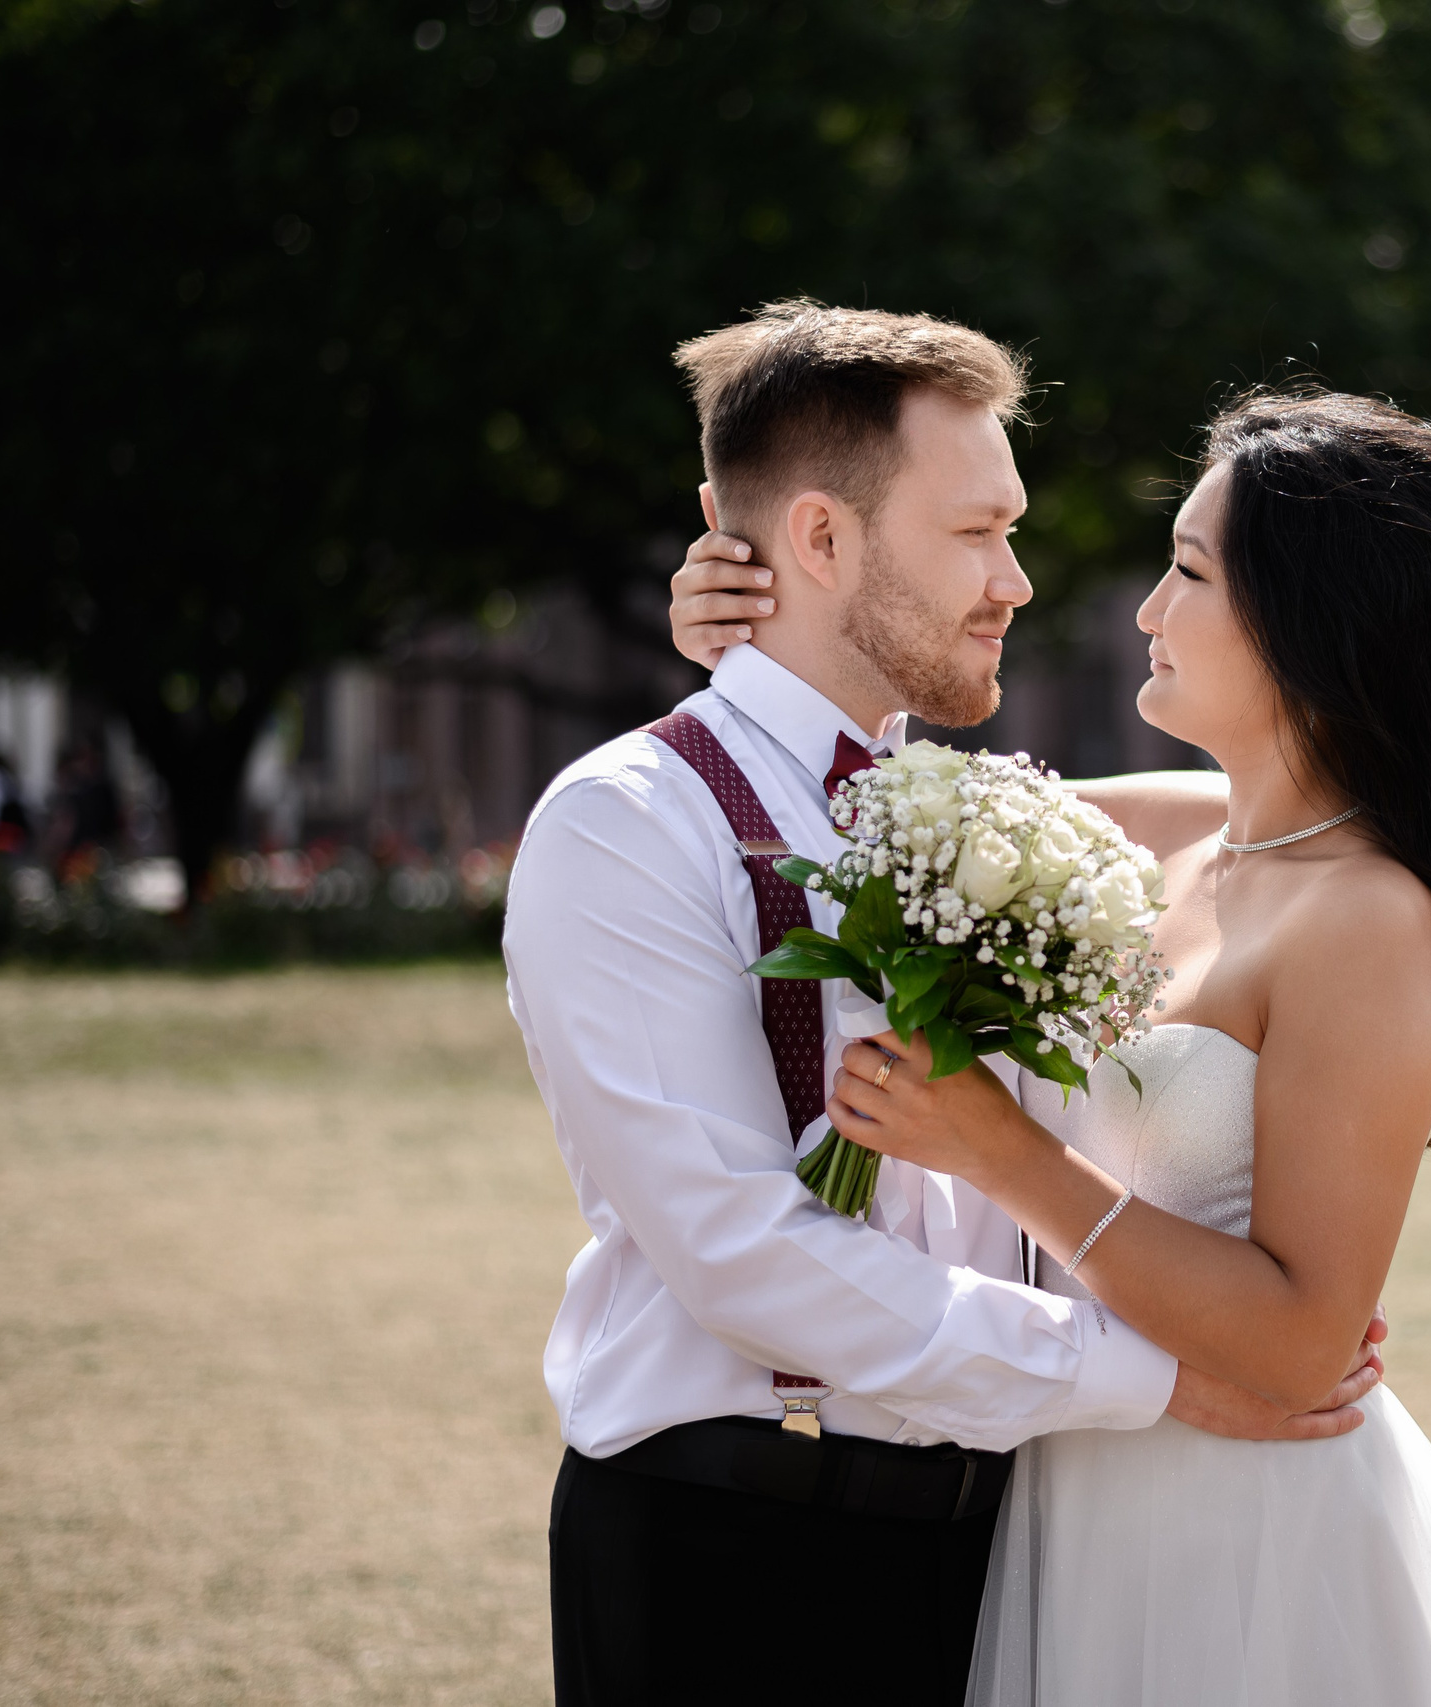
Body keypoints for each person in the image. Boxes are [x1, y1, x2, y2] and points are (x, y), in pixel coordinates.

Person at [669, 388, 1431, 1704]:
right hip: (1075, 1489)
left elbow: (1298, 1346)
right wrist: (750, 638)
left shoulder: (1373, 925)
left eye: (1187, 573)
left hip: (1252, 1535)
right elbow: (870, 802)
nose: (1145, 611)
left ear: (1315, 623)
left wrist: (1001, 1153)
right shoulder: (1170, 831)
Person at [507, 302, 1381, 1707]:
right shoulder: (625, 827)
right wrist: (1157, 1382)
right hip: (726, 1556)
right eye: (977, 532)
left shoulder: (994, 826)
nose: (1017, 580)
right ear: (820, 541)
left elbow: (1294, 819)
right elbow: (745, 1256)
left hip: (999, 1563)